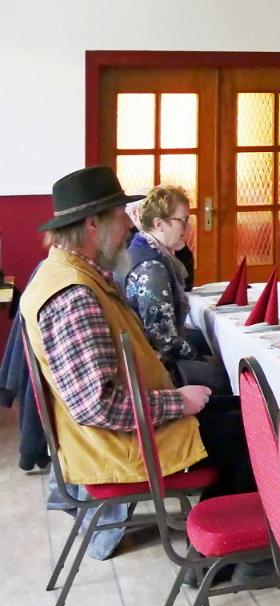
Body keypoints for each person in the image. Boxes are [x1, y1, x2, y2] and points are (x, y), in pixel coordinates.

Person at [19, 166, 254, 506]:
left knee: (249, 411)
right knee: (257, 435)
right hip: (124, 448)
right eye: (120, 214)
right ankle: (223, 537)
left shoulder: (72, 275)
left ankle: (220, 529)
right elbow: (97, 407)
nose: (130, 224)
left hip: (129, 434)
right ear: (93, 225)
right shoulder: (74, 295)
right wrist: (179, 402)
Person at [124, 185, 229, 393]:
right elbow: (162, 338)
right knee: (231, 378)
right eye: (182, 221)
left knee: (211, 345)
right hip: (155, 366)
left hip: (150, 354)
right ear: (159, 224)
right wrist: (200, 359)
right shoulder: (152, 268)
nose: (188, 228)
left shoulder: (143, 247)